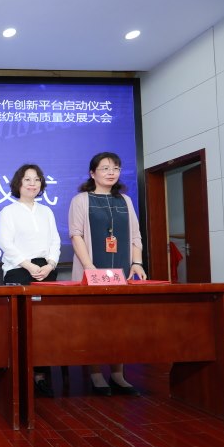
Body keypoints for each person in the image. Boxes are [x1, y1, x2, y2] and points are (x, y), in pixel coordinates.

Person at [68, 151, 146, 396]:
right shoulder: (81, 200)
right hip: (92, 269)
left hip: (121, 270)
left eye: (116, 168)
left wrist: (137, 263)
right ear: (92, 173)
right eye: (105, 168)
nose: (111, 172)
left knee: (119, 323)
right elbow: (76, 235)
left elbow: (135, 235)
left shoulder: (125, 200)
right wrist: (88, 266)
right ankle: (95, 374)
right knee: (93, 323)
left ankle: (118, 375)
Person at [0, 164, 60, 398]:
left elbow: (55, 241)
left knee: (45, 327)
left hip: (46, 270)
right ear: (18, 183)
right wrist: (29, 265)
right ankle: (20, 377)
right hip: (19, 270)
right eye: (27, 179)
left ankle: (40, 377)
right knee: (22, 326)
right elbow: (6, 244)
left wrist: (50, 264)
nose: (33, 184)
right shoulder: (8, 212)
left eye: (37, 180)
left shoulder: (47, 211)